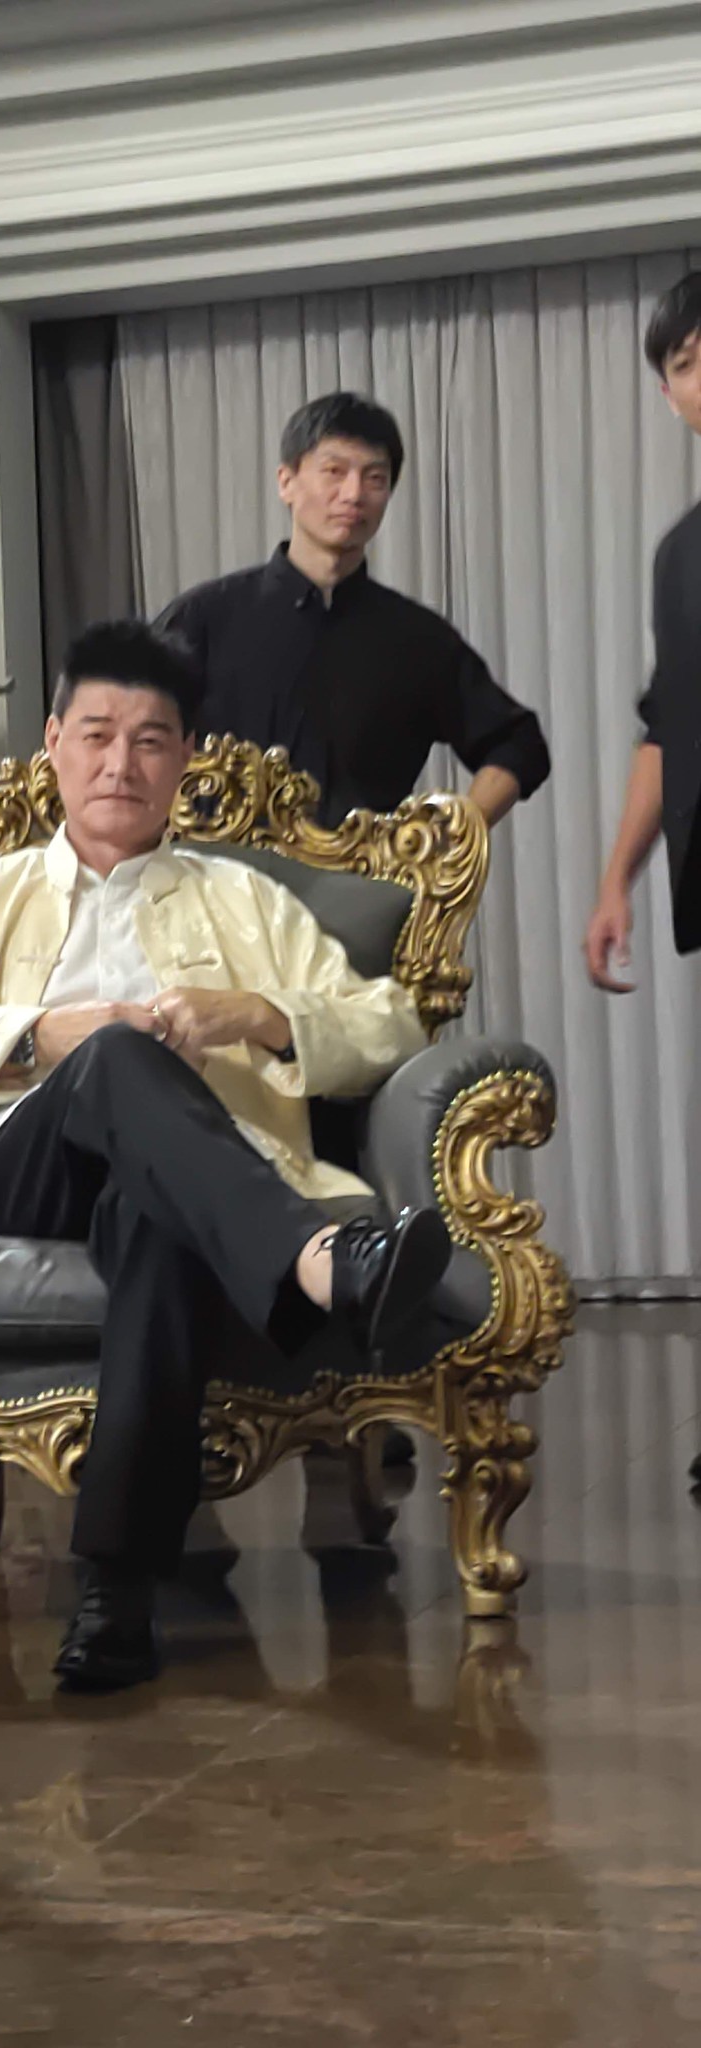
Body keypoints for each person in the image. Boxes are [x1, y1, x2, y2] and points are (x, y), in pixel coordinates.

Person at [0, 619, 450, 1691]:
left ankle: (115, 1596)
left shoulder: (243, 898)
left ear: (185, 760)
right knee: (114, 1053)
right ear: (53, 745)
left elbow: (389, 1024)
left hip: (187, 1185)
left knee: (157, 1227)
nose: (120, 763)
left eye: (151, 740)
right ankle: (320, 1259)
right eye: (96, 735)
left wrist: (257, 1013)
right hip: (22, 1172)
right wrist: (40, 1037)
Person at [158, 390, 551, 830]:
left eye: (375, 479)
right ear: (286, 482)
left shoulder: (417, 639)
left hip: (365, 871)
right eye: (334, 471)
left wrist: (449, 838)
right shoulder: (204, 618)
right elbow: (126, 727)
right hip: (216, 869)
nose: (353, 494)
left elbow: (519, 743)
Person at [585, 271, 701, 1488]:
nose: (699, 376)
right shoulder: (679, 556)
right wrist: (618, 875)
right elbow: (665, 726)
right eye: (683, 361)